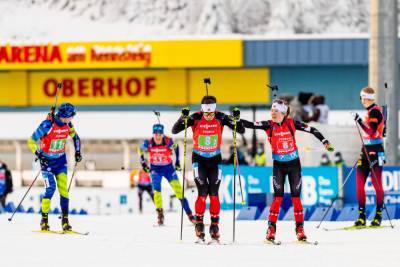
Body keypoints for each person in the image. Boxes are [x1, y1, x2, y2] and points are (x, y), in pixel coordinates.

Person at [241, 98, 334, 242]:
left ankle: (300, 229)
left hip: (294, 165)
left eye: (275, 110)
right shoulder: (268, 125)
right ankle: (271, 229)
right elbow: (250, 125)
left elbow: (313, 130)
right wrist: (234, 119)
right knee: (278, 197)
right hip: (279, 165)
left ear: (283, 112)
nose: (272, 113)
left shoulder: (292, 123)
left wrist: (324, 141)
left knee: (296, 198)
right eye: (271, 110)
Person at [172, 95, 244, 242]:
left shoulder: (221, 117)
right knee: (203, 191)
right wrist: (182, 118)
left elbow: (241, 130)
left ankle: (215, 225)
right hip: (199, 159)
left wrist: (237, 119)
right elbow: (175, 130)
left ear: (215, 109)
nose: (209, 116)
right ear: (202, 110)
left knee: (214, 193)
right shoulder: (195, 117)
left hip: (215, 159)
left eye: (211, 113)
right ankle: (199, 223)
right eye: (206, 113)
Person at [27, 103, 82, 231]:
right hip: (47, 163)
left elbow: (76, 138)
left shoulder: (68, 125)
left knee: (64, 190)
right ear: (64, 115)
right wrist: (39, 155)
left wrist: (78, 152)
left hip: (61, 161)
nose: (72, 118)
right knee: (50, 189)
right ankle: (44, 220)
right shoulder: (47, 125)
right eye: (71, 116)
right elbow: (31, 141)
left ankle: (65, 222)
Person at [139, 123, 194, 225]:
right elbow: (140, 150)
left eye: (160, 134)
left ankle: (190, 215)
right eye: (156, 134)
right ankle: (160, 215)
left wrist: (177, 162)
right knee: (157, 191)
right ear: (153, 134)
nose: (158, 136)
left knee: (178, 191)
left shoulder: (168, 141)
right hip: (155, 170)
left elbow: (176, 147)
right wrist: (143, 164)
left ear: (162, 134)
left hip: (168, 169)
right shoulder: (148, 143)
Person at [351, 87, 385, 227]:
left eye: (361, 98)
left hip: (376, 151)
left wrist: (358, 119)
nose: (362, 101)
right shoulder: (371, 111)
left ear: (364, 98)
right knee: (359, 184)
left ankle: (378, 215)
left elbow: (371, 131)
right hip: (365, 151)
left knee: (377, 185)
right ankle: (361, 216)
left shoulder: (375, 111)